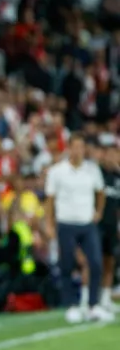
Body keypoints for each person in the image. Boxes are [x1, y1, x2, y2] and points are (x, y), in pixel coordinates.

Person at [45, 134, 112, 323]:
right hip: (66, 222)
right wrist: (49, 223)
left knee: (96, 262)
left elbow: (101, 192)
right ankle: (71, 305)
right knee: (67, 264)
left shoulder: (92, 170)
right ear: (69, 148)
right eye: (75, 147)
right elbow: (50, 199)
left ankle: (93, 305)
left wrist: (98, 212)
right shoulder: (57, 172)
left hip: (87, 223)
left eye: (81, 147)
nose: (78, 151)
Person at [97, 144, 120, 311]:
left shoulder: (118, 177)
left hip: (112, 226)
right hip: (97, 226)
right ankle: (94, 297)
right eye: (110, 154)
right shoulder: (97, 175)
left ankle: (105, 298)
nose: (112, 158)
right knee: (95, 262)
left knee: (110, 261)